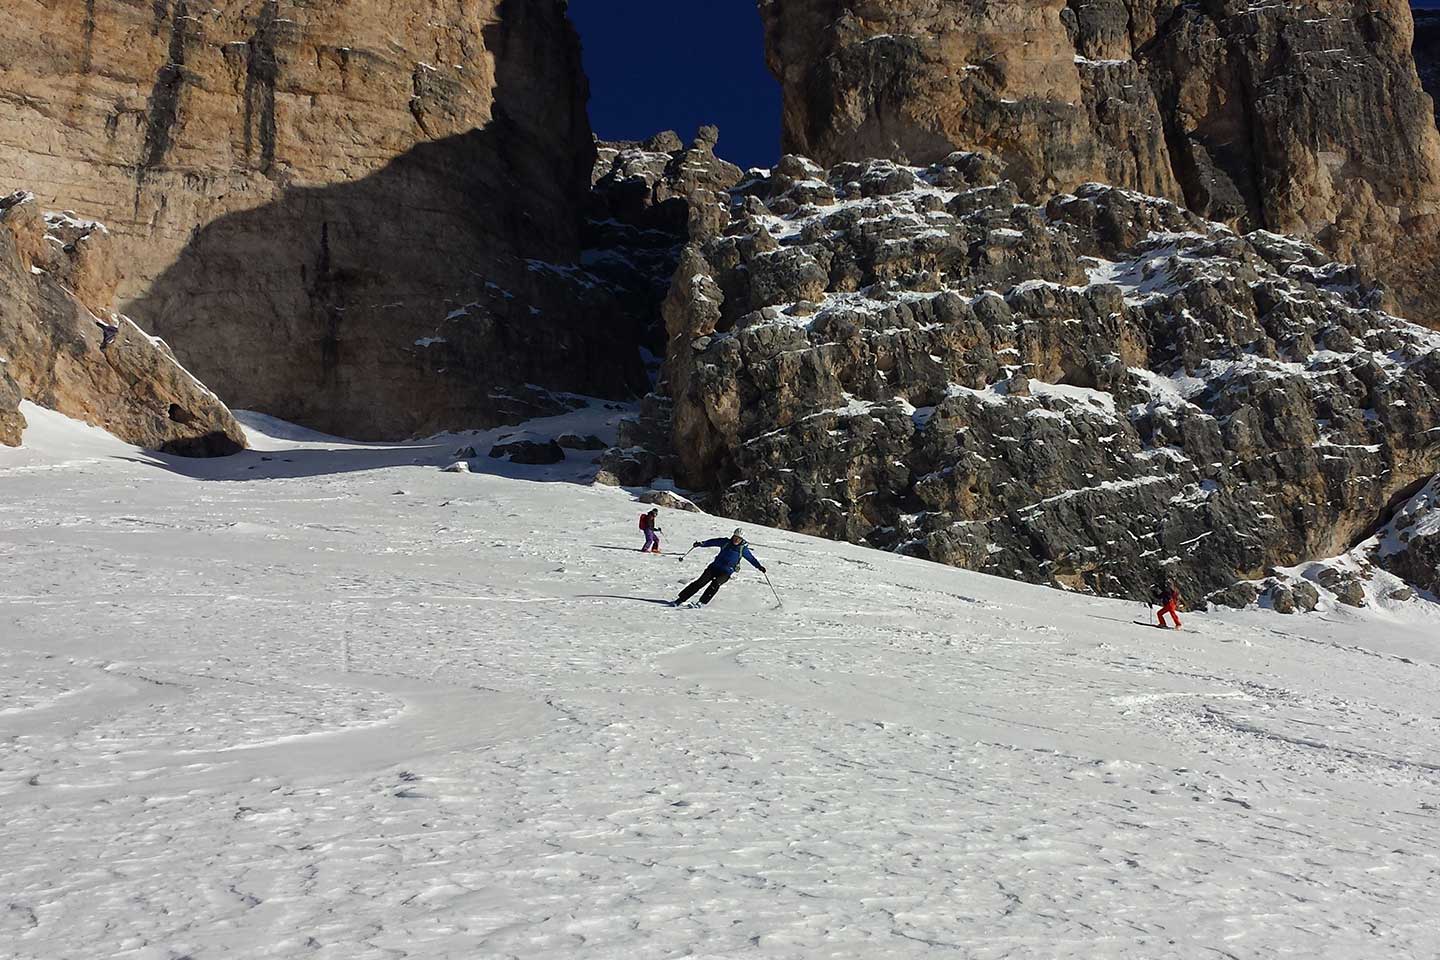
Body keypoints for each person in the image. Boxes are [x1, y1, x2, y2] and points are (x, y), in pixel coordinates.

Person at [673, 528, 766, 607]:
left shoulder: (743, 549)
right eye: (735, 537)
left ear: (742, 539)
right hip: (714, 567)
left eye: (738, 538)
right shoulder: (725, 542)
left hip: (726, 572)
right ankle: (680, 600)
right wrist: (702, 544)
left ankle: (701, 602)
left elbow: (751, 559)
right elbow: (713, 542)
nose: (736, 540)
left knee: (715, 584)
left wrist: (759, 567)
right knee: (700, 582)